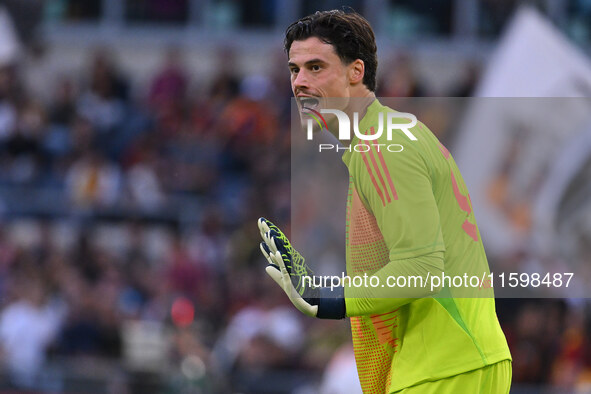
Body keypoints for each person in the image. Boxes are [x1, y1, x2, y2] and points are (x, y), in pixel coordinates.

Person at [257, 9, 512, 394]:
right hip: (454, 360)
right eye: (294, 70)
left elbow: (423, 268)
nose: (300, 83)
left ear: (355, 72)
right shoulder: (389, 136)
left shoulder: (381, 146)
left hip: (443, 367)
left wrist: (325, 297)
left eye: (315, 67)